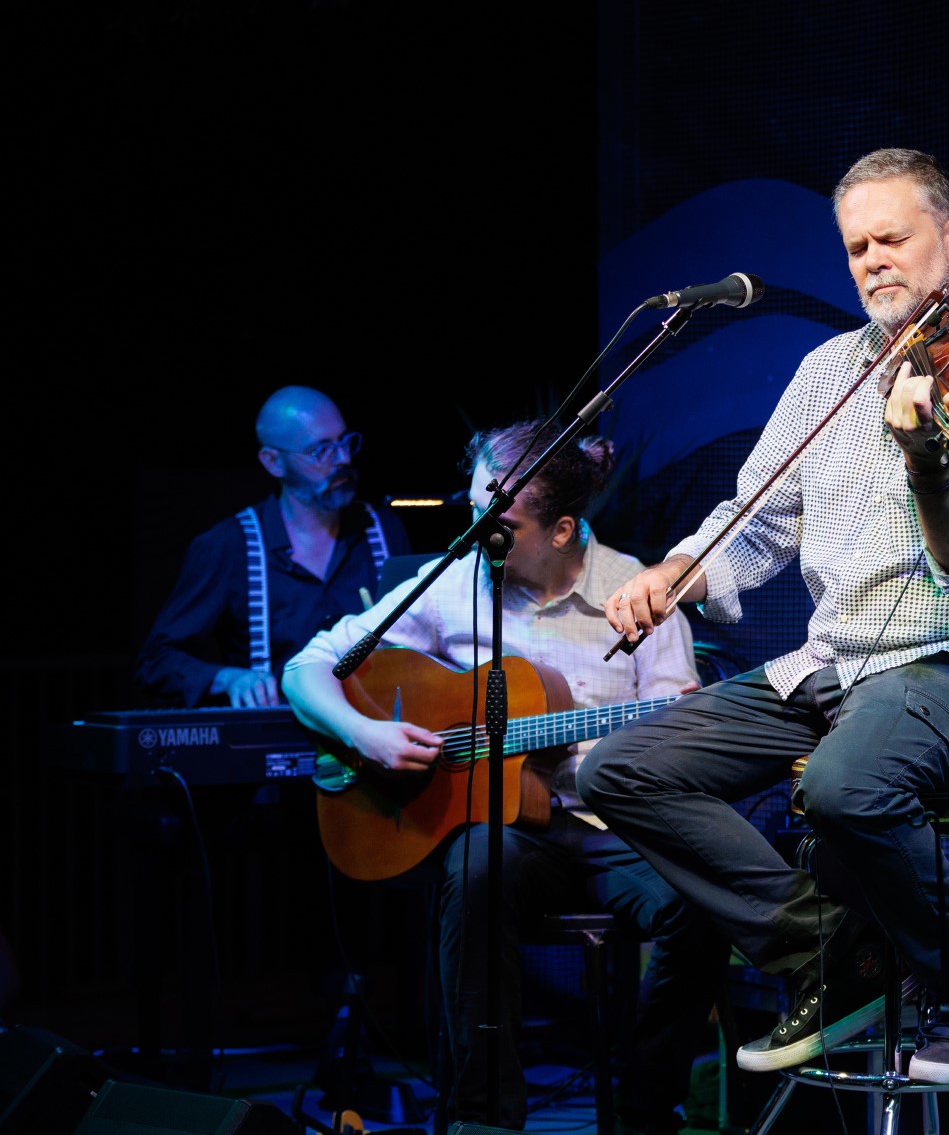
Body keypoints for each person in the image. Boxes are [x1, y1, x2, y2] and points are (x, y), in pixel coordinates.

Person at [577, 147, 949, 1085]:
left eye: (893, 238)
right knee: (621, 769)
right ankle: (831, 955)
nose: (873, 260)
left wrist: (930, 464)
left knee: (844, 786)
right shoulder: (827, 370)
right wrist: (678, 572)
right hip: (832, 663)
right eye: (856, 248)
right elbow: (755, 517)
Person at [284, 421, 727, 1134]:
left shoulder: (640, 592)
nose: (475, 533)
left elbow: (684, 742)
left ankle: (648, 1109)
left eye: (500, 523)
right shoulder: (455, 583)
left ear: (561, 530)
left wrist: (643, 746)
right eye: (473, 510)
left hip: (617, 832)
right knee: (476, 864)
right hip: (515, 834)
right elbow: (308, 667)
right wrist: (367, 733)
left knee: (702, 905)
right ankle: (483, 1118)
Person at [136, 385, 410, 708]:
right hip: (278, 730)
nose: (344, 459)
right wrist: (229, 678)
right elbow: (157, 660)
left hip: (374, 727)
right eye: (321, 450)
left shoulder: (381, 530)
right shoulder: (230, 546)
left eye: (345, 442)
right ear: (273, 462)